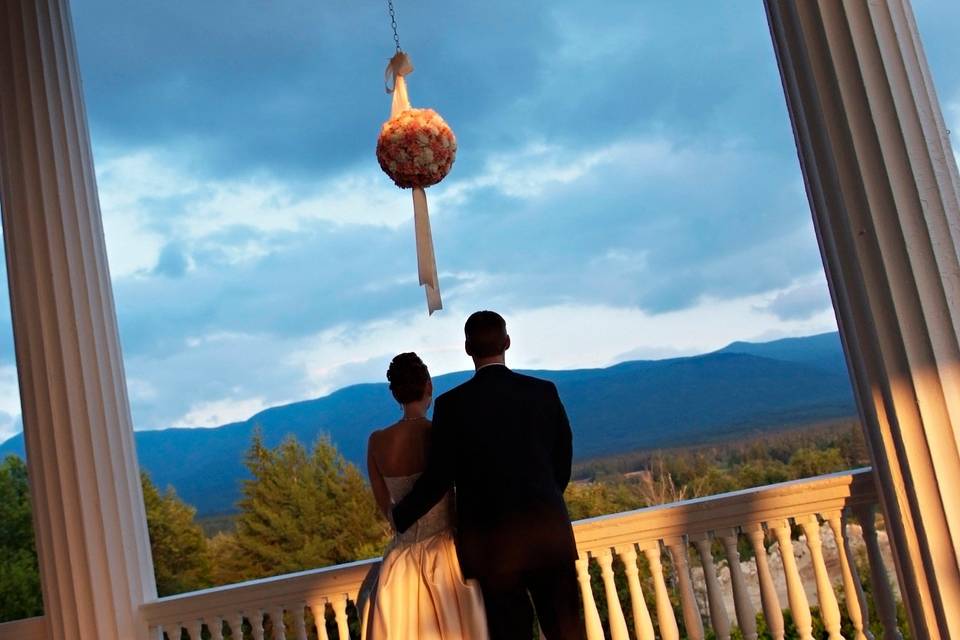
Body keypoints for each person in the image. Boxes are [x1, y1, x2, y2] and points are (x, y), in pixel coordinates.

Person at [392, 311, 584, 640]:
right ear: (507, 342)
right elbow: (561, 461)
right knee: (567, 633)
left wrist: (401, 516)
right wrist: (542, 502)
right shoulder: (543, 392)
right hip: (547, 536)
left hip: (492, 550)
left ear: (467, 348)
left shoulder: (452, 405)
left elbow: (439, 477)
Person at [366, 352, 489, 639]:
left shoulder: (376, 442)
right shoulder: (438, 434)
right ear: (428, 386)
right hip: (446, 557)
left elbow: (387, 508)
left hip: (401, 565)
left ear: (394, 393)